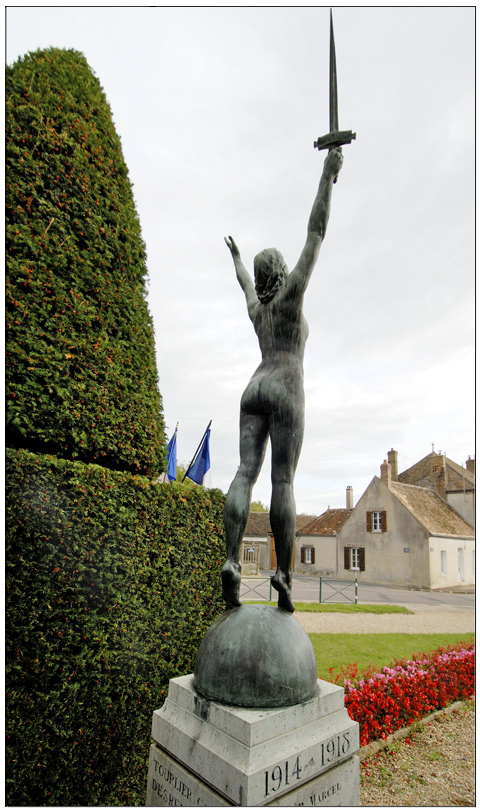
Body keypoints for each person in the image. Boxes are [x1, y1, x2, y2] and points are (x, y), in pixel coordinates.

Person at [222, 147, 344, 612]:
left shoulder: (258, 311)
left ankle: (232, 559)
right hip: (287, 384)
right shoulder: (291, 297)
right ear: (281, 272)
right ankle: (285, 574)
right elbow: (316, 232)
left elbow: (243, 285)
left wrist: (236, 257)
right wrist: (326, 176)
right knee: (282, 482)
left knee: (243, 473)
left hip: (253, 386)